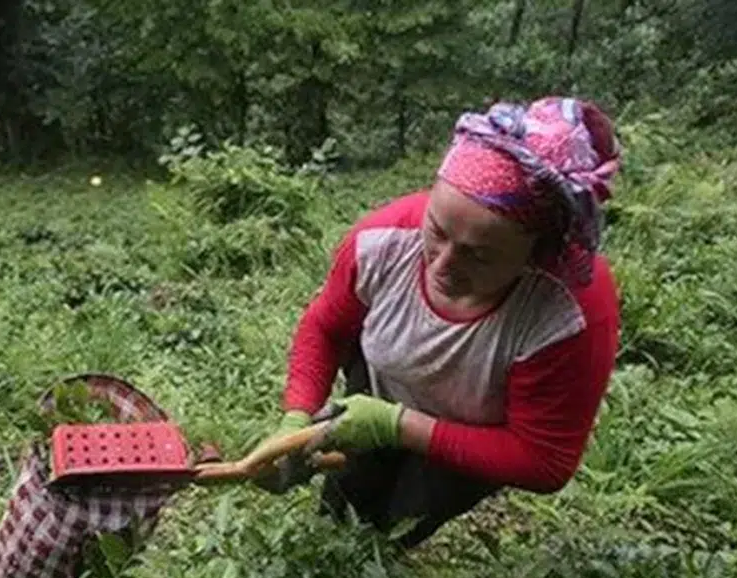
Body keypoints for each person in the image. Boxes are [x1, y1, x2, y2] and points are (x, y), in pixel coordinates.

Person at [260, 96, 624, 549]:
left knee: (403, 520)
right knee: (347, 501)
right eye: (436, 230)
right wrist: (297, 413)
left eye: (480, 254)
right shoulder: (382, 240)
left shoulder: (568, 312)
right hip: (381, 382)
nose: (443, 265)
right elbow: (326, 326)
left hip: (477, 435)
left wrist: (398, 426)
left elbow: (545, 459)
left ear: (539, 252)